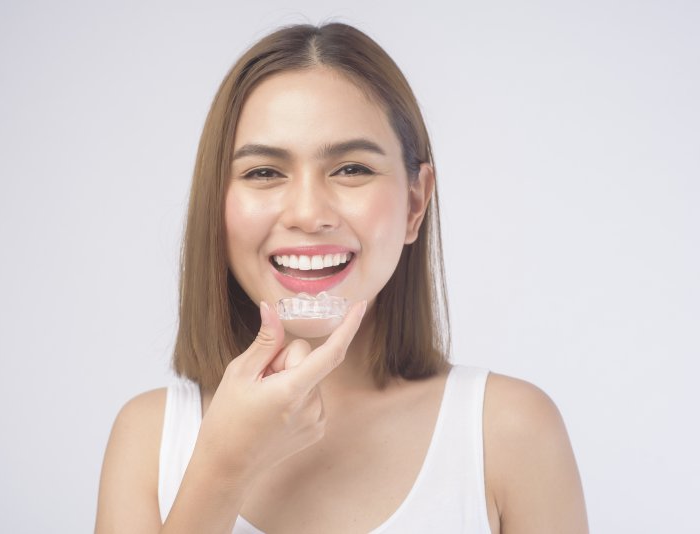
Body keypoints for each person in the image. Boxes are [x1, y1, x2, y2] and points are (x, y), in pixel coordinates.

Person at [94, 23, 588, 534]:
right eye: (264, 172)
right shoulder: (149, 438)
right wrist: (223, 469)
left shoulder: (510, 431)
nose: (309, 214)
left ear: (415, 203)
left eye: (351, 169)